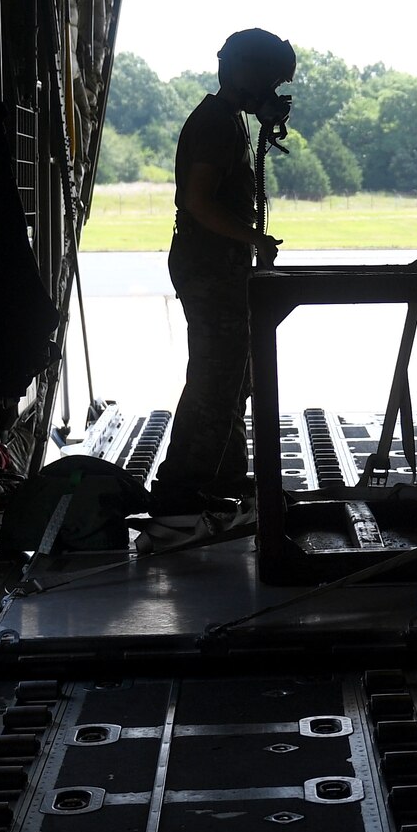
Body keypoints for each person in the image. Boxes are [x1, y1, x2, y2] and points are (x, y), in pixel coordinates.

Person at [150, 28, 295, 524]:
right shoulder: (215, 124)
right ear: (248, 75)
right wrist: (252, 238)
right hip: (209, 264)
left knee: (234, 375)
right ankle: (184, 487)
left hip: (217, 263)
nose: (274, 92)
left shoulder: (226, 120)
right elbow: (197, 201)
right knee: (216, 377)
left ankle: (225, 476)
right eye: (271, 80)